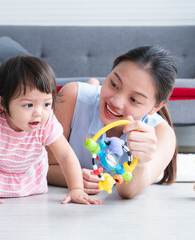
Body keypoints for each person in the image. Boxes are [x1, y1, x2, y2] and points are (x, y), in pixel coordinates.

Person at [0, 54, 101, 207]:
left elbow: (65, 155)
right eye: (28, 105)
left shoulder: (46, 119)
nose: (39, 113)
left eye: (46, 104)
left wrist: (76, 188)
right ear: (2, 103)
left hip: (18, 163)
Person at [47, 46, 178, 199]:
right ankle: (93, 84)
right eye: (114, 84)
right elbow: (44, 166)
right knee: (93, 90)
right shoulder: (73, 97)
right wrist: (74, 177)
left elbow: (127, 191)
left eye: (134, 100)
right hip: (89, 96)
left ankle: (95, 84)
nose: (116, 102)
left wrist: (141, 162)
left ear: (156, 107)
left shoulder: (162, 133)